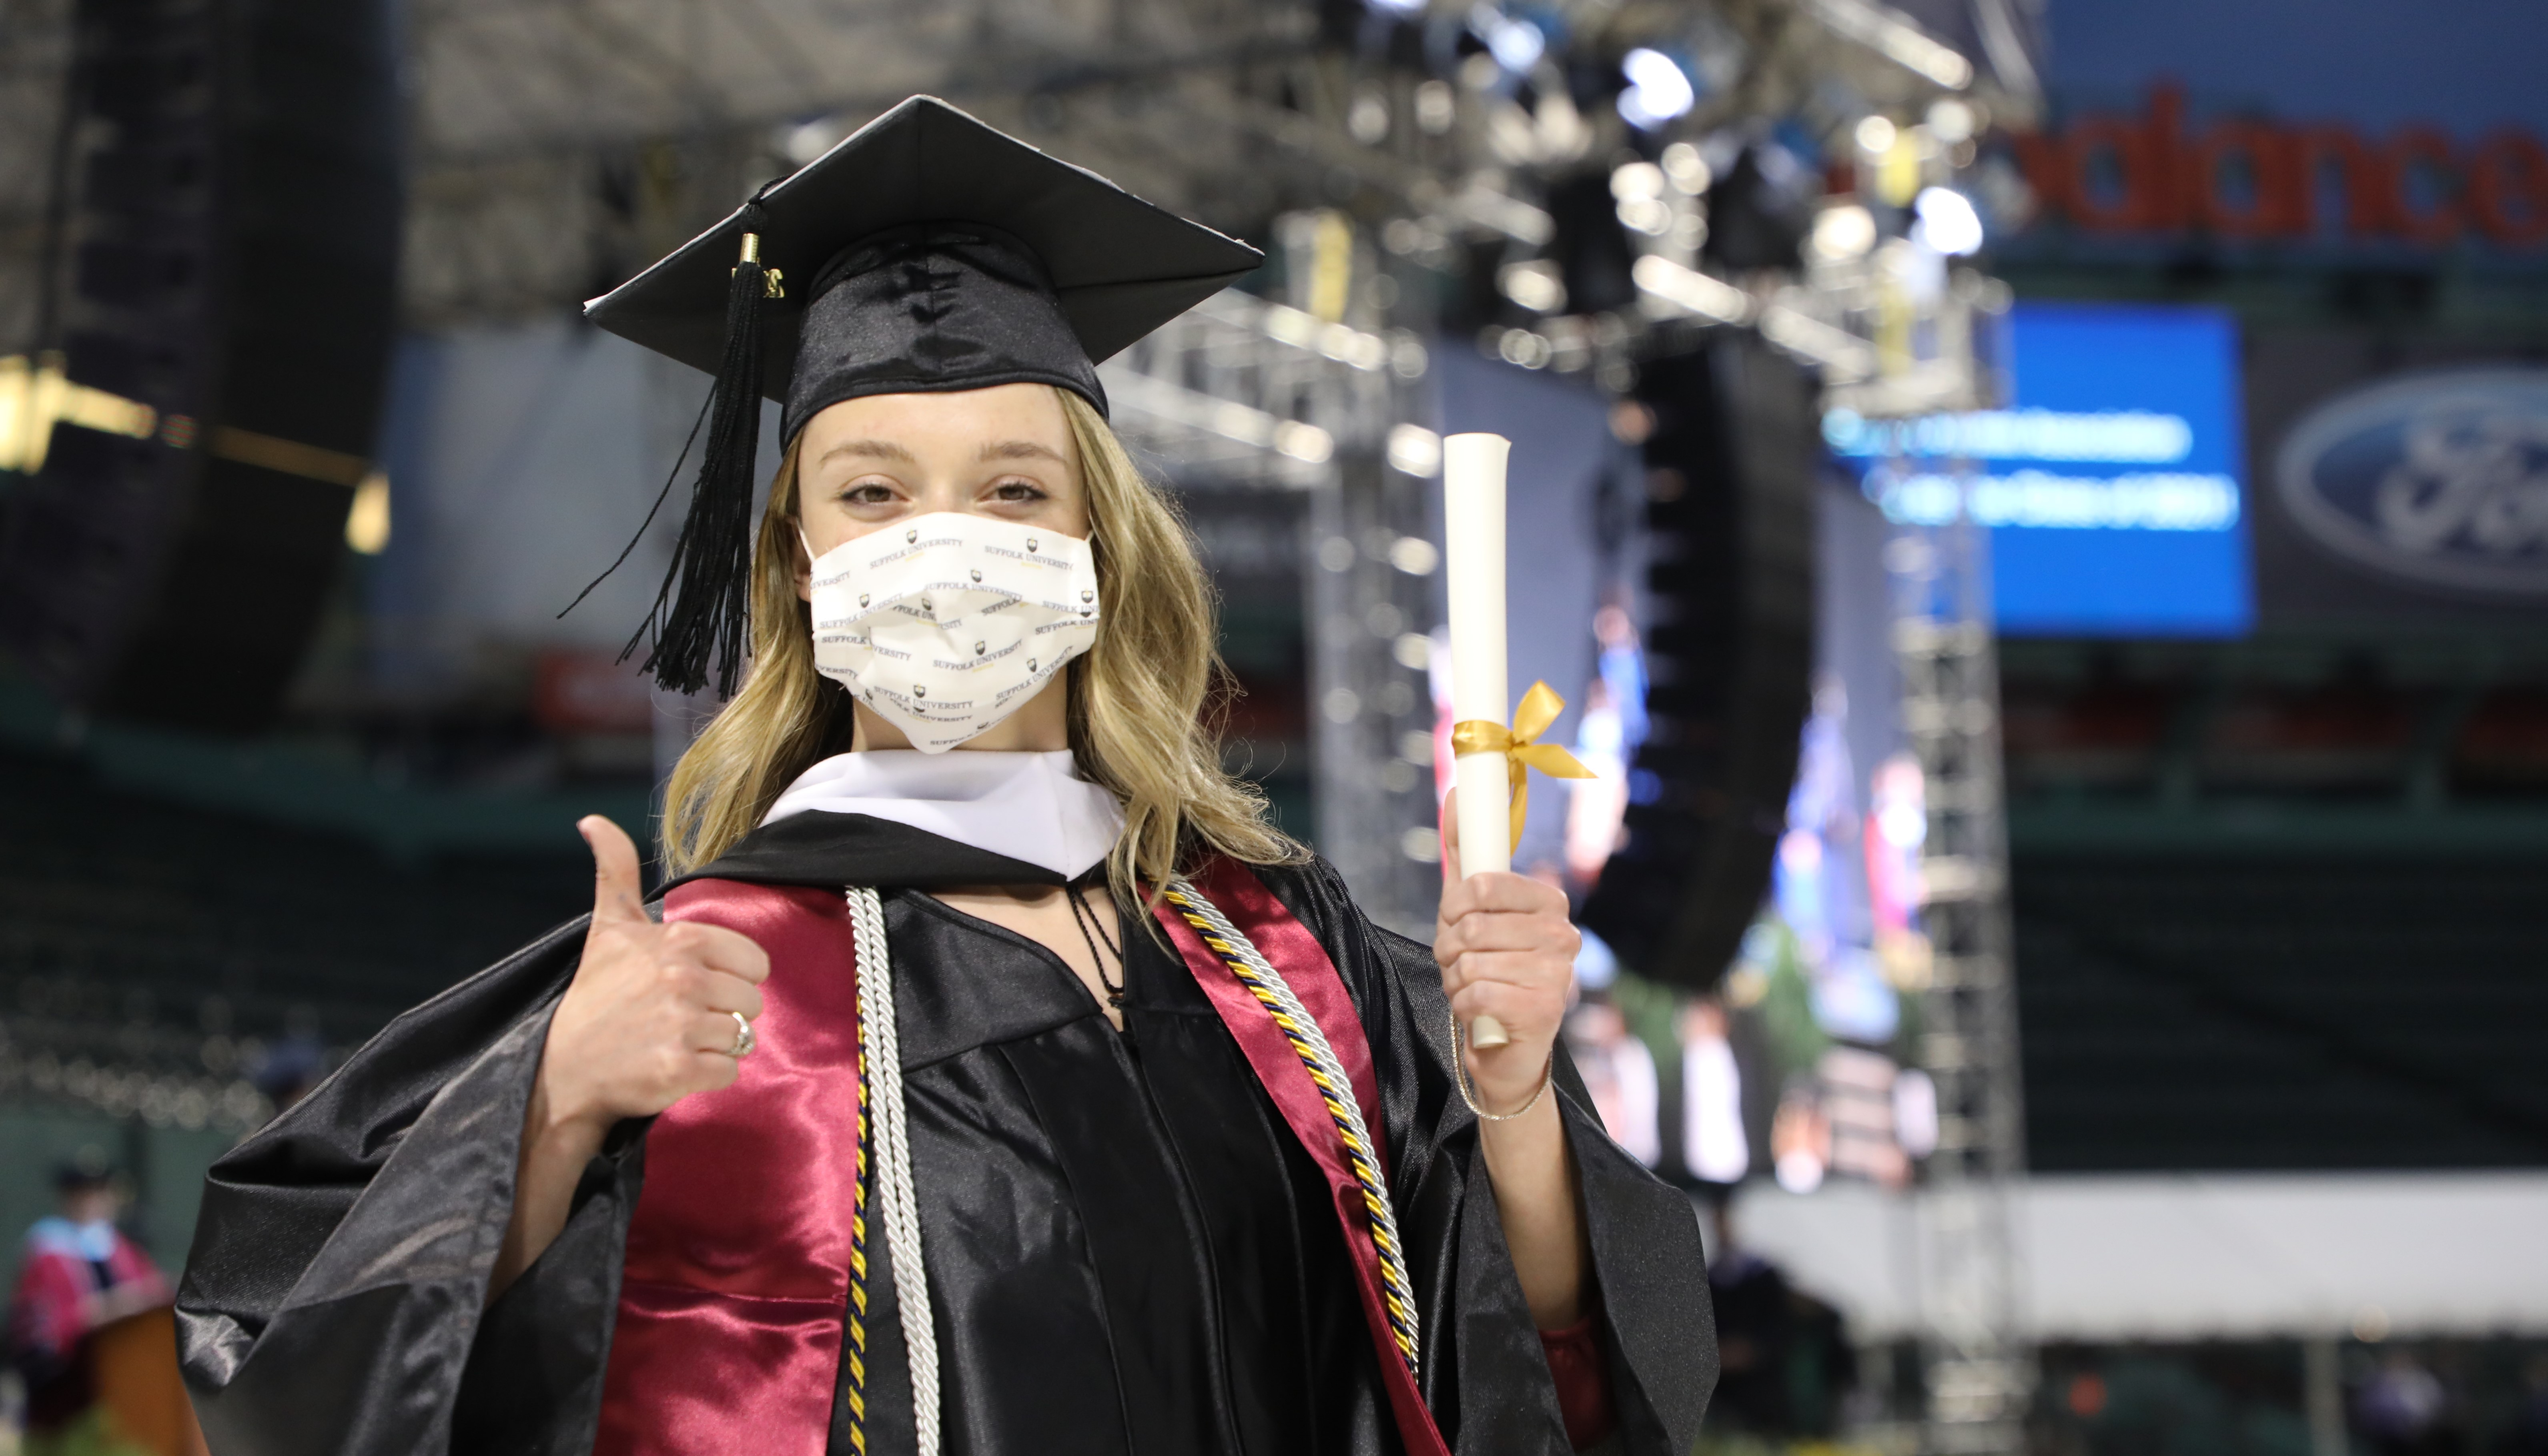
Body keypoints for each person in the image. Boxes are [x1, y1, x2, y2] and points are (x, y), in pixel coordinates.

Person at [174, 97, 1715, 1456]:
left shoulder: (1291, 963)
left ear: (1095, 547)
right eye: (872, 490)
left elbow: (1538, 1373)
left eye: (1012, 487)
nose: (945, 536)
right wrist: (560, 1103)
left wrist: (1509, 1107)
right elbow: (284, 1367)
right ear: (795, 561)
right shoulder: (700, 976)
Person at [6, 1151, 173, 1452]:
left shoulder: (123, 1250)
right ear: (66, 1197)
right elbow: (41, 1329)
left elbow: (154, 1298)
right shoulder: (46, 1250)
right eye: (82, 1193)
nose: (91, 1201)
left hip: (128, 1386)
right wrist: (106, 1309)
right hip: (70, 1392)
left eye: (99, 1192)